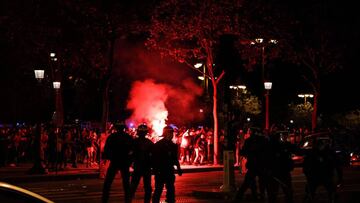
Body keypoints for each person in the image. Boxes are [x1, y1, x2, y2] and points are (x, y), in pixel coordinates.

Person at [233, 127, 269, 201]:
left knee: (248, 182)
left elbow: (243, 152)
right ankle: (261, 196)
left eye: (250, 131)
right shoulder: (264, 140)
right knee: (261, 183)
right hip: (261, 165)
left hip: (253, 165)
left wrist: (244, 152)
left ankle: (240, 197)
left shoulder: (249, 141)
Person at [102, 123, 134, 203]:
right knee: (126, 183)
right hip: (124, 163)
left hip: (114, 162)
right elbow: (133, 151)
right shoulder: (128, 137)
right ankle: (128, 200)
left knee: (108, 183)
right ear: (123, 128)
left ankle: (104, 199)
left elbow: (106, 150)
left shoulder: (112, 137)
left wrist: (110, 158)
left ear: (116, 128)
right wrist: (129, 161)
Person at [267, 131, 300, 203]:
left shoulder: (287, 145)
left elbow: (297, 150)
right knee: (273, 192)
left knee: (288, 191)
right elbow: (268, 158)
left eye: (286, 135)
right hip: (275, 172)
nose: (285, 137)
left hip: (285, 171)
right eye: (283, 135)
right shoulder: (272, 145)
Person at [152, 126, 183, 203]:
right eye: (170, 133)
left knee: (171, 189)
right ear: (166, 134)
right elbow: (154, 159)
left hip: (169, 170)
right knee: (158, 189)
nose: (172, 135)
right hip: (160, 171)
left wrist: (178, 168)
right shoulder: (158, 145)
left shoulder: (173, 145)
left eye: (172, 133)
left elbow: (175, 158)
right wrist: (156, 170)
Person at [302, 137, 338, 202]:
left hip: (326, 176)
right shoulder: (312, 153)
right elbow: (306, 166)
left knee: (332, 192)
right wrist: (308, 176)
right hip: (315, 177)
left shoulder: (329, 153)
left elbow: (335, 165)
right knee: (310, 193)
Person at [130, 124, 154, 203]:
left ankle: (129, 200)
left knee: (133, 186)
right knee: (147, 188)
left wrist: (131, 163)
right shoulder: (150, 143)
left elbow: (130, 154)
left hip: (138, 167)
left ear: (138, 132)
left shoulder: (133, 142)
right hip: (146, 168)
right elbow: (153, 156)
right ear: (146, 133)